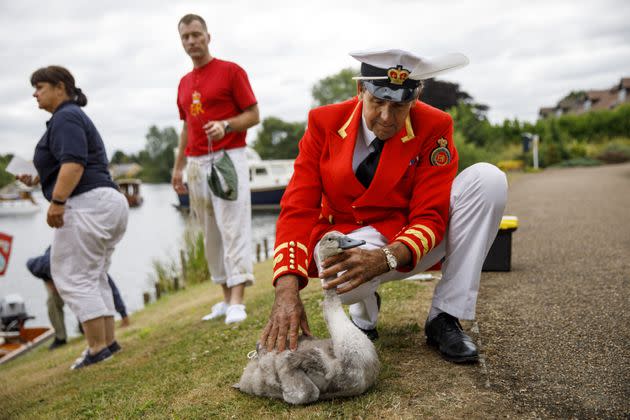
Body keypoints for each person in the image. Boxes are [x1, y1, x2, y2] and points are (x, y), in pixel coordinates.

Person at [260, 49, 508, 363]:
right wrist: (285, 289)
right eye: (378, 102)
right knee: (340, 284)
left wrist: (386, 257)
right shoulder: (323, 122)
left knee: (489, 180)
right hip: (347, 236)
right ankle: (364, 309)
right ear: (360, 90)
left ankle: (445, 316)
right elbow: (298, 206)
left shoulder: (435, 125)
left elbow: (430, 215)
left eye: (400, 105)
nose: (387, 118)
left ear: (416, 96)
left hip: (405, 236)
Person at [17, 65, 128, 369]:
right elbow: (69, 162)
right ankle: (107, 342)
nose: (34, 93)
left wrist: (57, 201)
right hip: (106, 201)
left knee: (72, 275)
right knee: (94, 275)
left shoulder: (65, 117)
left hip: (87, 202)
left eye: (40, 86)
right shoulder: (69, 118)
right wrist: (39, 179)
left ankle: (96, 348)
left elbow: (75, 164)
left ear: (60, 87)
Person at [172, 14, 260, 324]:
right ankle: (224, 297)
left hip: (227, 157)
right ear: (181, 41)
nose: (192, 41)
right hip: (196, 163)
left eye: (196, 34)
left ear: (208, 36)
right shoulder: (183, 83)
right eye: (185, 37)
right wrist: (178, 167)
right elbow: (185, 128)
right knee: (210, 232)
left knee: (232, 226)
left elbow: (253, 115)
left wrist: (226, 125)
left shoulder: (231, 71)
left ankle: (238, 300)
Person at [26, 246, 130, 350]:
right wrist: (49, 282)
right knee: (52, 302)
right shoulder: (46, 263)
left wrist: (123, 314)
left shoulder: (90, 265)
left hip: (77, 272)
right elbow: (30, 264)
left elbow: (109, 288)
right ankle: (60, 338)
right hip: (54, 277)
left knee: (85, 297)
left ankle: (83, 327)